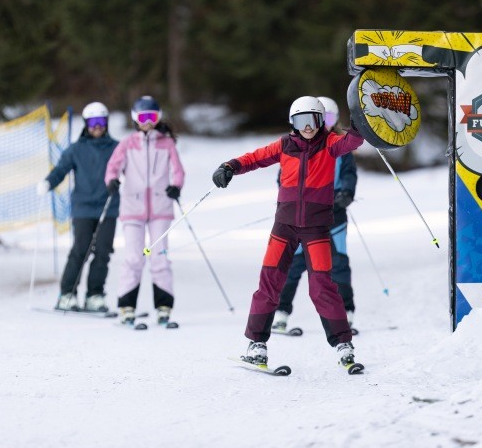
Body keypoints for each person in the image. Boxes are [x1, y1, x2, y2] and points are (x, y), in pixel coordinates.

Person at [211, 96, 365, 368]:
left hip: (316, 230)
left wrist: (359, 123)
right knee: (269, 284)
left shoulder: (330, 144)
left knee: (322, 288)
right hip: (284, 228)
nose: (308, 127)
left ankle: (343, 344)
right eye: (301, 121)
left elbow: (353, 142)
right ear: (293, 123)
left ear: (322, 121)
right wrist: (230, 166)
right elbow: (256, 158)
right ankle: (256, 343)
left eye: (313, 120)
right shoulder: (284, 145)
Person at [272, 96, 358, 333]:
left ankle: (346, 313)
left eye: (329, 118)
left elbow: (349, 174)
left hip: (334, 216)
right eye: (320, 118)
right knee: (293, 265)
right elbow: (285, 176)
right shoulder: (296, 146)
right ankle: (281, 313)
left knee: (338, 263)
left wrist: (346, 193)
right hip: (303, 218)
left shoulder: (340, 146)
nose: (323, 123)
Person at [104, 96, 184, 327]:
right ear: (135, 119)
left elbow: (178, 171)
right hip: (133, 208)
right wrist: (112, 181)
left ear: (158, 118)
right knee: (133, 257)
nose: (147, 122)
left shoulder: (167, 143)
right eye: (143, 117)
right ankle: (126, 306)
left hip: (160, 208)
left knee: (160, 257)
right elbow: (113, 167)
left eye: (152, 117)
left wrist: (176, 186)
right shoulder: (128, 143)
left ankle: (164, 307)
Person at [38, 102, 120, 312]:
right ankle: (67, 294)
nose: (97, 126)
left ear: (106, 123)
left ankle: (94, 295)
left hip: (108, 207)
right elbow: (60, 170)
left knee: (103, 252)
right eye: (93, 122)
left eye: (101, 121)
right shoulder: (76, 149)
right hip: (83, 208)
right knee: (80, 250)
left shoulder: (116, 148)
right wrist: (48, 183)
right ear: (86, 124)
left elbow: (132, 168)